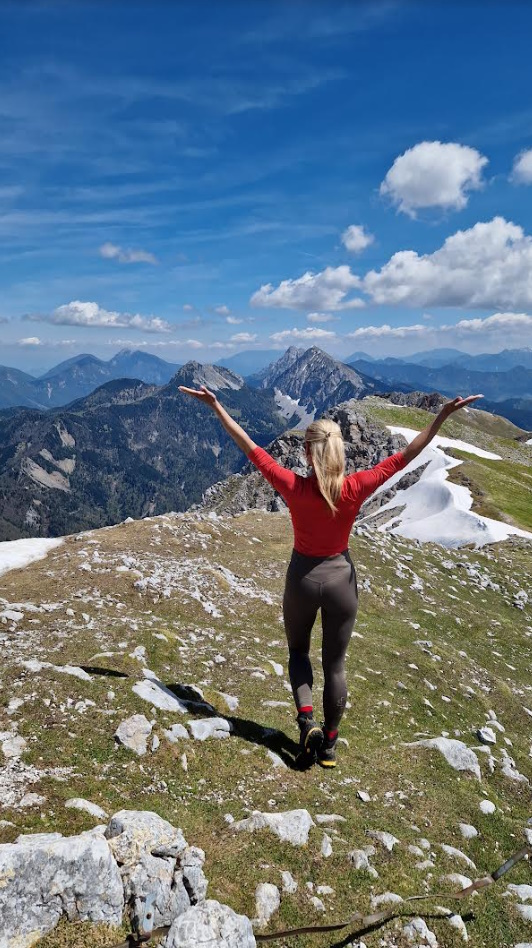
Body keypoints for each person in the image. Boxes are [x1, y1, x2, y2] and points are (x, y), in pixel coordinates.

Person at [179, 383, 482, 768]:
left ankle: (306, 721)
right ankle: (330, 747)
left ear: (306, 453)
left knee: (298, 652)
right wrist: (440, 417)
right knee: (335, 664)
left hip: (302, 579)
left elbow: (250, 449)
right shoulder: (356, 487)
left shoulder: (293, 486)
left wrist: (217, 406)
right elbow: (406, 456)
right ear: (341, 451)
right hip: (342, 581)